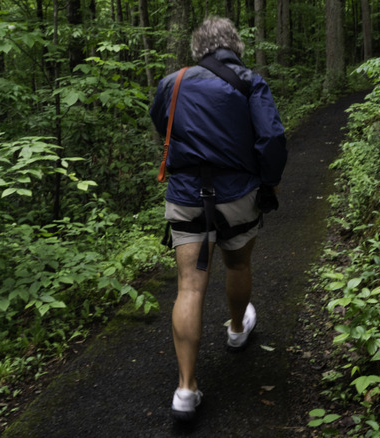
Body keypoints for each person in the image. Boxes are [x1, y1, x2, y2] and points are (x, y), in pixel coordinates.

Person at [149, 16, 287, 421]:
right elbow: (272, 138)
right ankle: (236, 330)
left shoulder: (171, 83)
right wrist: (270, 182)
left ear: (198, 48)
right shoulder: (248, 81)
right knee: (238, 262)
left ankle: (185, 391)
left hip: (186, 196)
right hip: (238, 195)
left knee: (190, 287)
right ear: (234, 45)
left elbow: (163, 125)